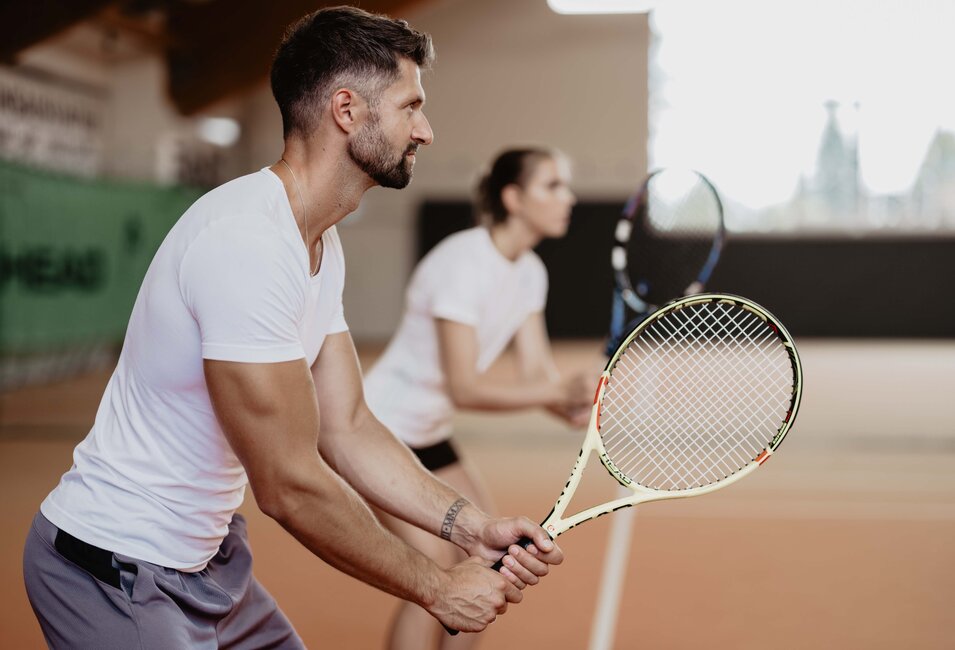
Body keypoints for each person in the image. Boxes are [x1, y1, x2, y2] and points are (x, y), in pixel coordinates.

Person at [22, 8, 563, 649]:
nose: (426, 130)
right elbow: (288, 484)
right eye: (410, 106)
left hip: (207, 561)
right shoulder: (248, 241)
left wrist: (469, 528)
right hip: (114, 568)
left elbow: (348, 425)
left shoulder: (317, 242)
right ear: (346, 110)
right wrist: (436, 585)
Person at [365, 147, 593, 650]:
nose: (568, 198)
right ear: (513, 198)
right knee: (430, 575)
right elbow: (464, 386)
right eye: (552, 186)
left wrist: (574, 403)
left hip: (429, 432)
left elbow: (537, 373)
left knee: (491, 562)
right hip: (380, 429)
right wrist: (556, 389)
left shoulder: (530, 271)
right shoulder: (462, 262)